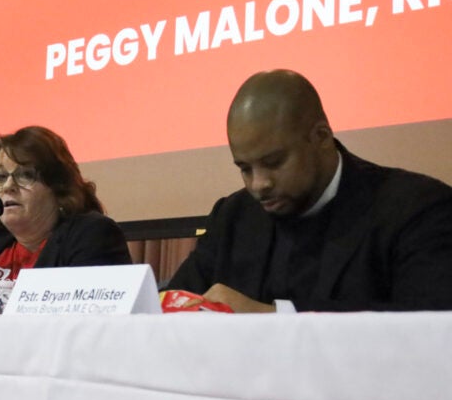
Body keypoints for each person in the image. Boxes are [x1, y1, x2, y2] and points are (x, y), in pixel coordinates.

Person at [168, 69, 452, 312]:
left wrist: (273, 319)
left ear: (322, 137)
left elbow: (429, 329)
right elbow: (169, 309)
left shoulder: (417, 210)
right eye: (245, 169)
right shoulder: (232, 217)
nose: (259, 184)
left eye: (274, 162)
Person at [0, 125, 132, 315]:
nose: (8, 186)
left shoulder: (90, 235)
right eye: (1, 177)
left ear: (57, 187)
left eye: (25, 175)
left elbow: (75, 328)